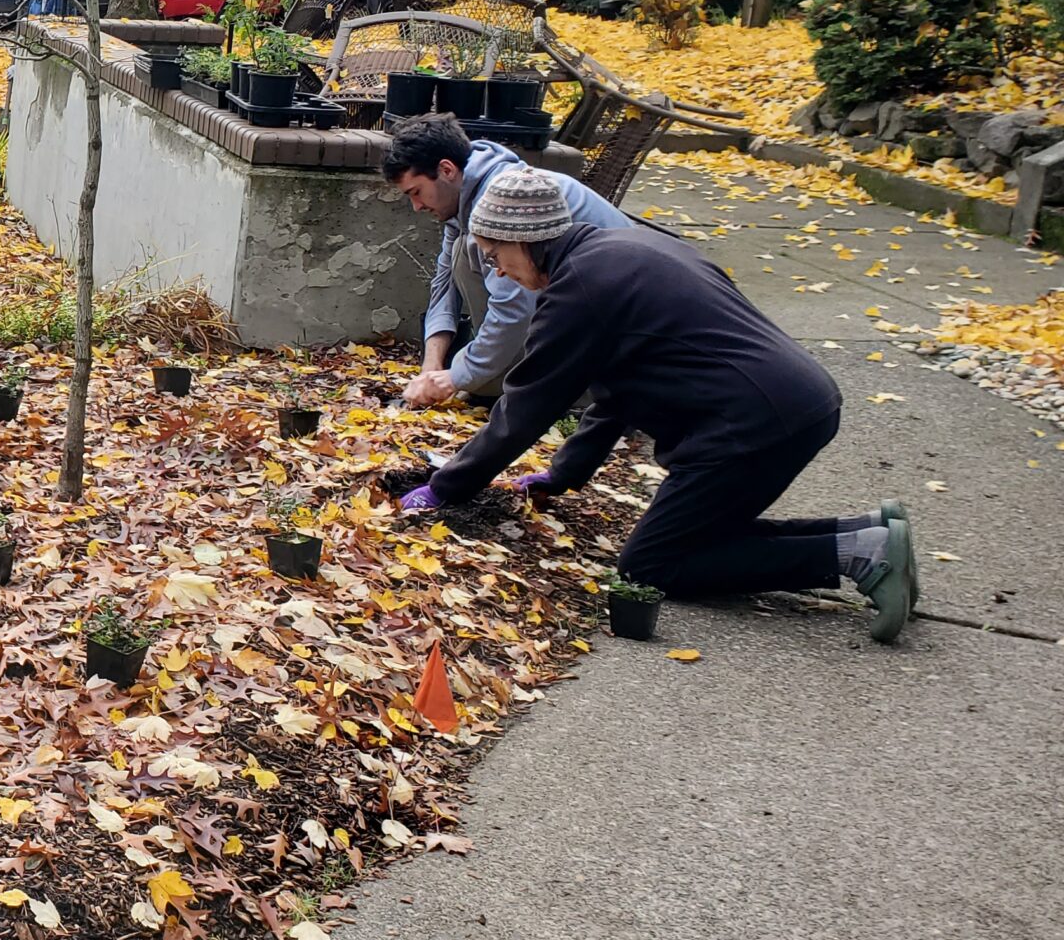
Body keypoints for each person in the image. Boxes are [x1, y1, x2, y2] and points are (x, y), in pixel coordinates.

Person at [396, 167, 918, 641]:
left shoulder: (579, 289)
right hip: (796, 402)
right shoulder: (626, 250)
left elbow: (525, 408)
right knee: (702, 535)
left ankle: (859, 553)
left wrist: (445, 488)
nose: (500, 272)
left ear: (525, 239)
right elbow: (614, 392)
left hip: (749, 426)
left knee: (653, 567)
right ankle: (864, 533)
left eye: (495, 256)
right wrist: (562, 475)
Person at [380, 113, 631, 404]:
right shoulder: (468, 196)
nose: (416, 206)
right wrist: (432, 364)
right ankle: (504, 371)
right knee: (462, 254)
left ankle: (574, 392)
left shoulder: (501, 205)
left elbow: (513, 310)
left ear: (446, 170)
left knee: (480, 380)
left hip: (615, 340)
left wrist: (457, 377)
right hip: (579, 317)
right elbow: (444, 282)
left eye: (416, 192)